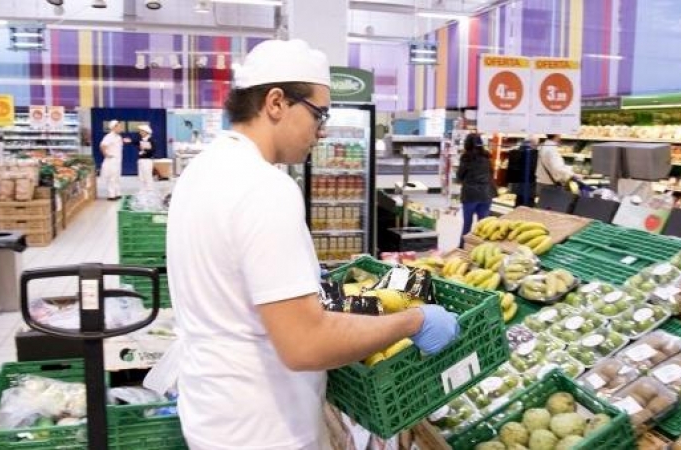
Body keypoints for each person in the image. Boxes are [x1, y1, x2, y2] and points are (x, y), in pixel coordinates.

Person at [162, 39, 460, 450]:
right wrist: (414, 321)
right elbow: (305, 345)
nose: (322, 130)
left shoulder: (203, 170)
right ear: (276, 102)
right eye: (319, 113)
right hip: (264, 429)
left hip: (214, 412)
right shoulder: (264, 188)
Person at [457, 133, 495, 247]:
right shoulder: (487, 157)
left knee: (467, 224)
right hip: (486, 194)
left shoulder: (466, 158)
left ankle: (463, 247)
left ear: (467, 144)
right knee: (483, 225)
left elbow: (460, 176)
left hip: (470, 195)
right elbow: (491, 173)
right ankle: (480, 248)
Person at [506, 135, 540, 207]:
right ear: (533, 143)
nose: (537, 146)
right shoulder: (532, 154)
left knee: (519, 201)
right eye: (536, 144)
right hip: (529, 185)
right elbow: (533, 169)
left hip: (518, 184)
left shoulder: (517, 151)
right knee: (527, 205)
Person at [100, 120, 124, 201]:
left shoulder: (118, 137)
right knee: (112, 177)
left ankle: (117, 193)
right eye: (119, 126)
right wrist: (106, 154)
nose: (121, 128)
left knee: (117, 177)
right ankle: (111, 195)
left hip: (118, 160)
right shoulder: (109, 136)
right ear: (114, 127)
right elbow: (103, 145)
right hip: (112, 160)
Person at [136, 124, 157, 190]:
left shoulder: (151, 140)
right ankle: (142, 191)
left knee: (147, 176)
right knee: (141, 177)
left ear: (146, 132)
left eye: (141, 131)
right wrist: (130, 141)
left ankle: (149, 190)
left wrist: (145, 149)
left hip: (147, 161)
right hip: (141, 160)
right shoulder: (141, 139)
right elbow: (135, 142)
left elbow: (153, 150)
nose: (140, 133)